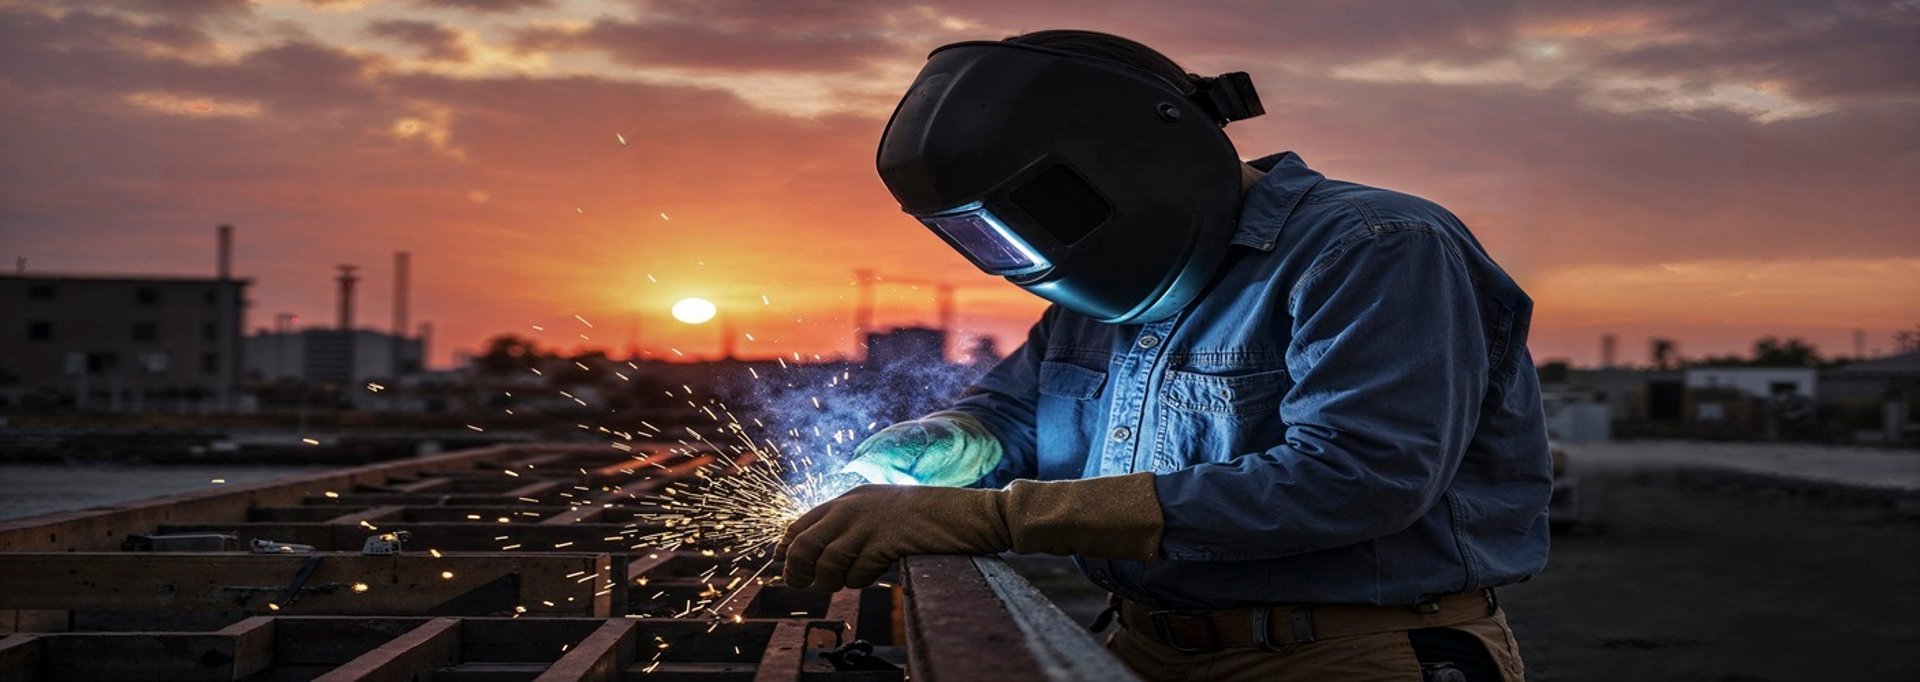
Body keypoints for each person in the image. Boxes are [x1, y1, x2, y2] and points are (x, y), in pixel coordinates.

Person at [780, 29, 1550, 682]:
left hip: (1342, 654)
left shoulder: (1375, 249)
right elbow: (1013, 413)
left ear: (1132, 162)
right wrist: (951, 441)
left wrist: (994, 517)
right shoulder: (1106, 295)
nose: (1030, 255)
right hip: (1137, 644)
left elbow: (1355, 478)